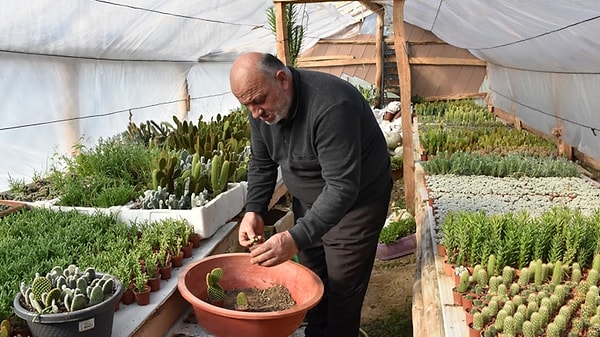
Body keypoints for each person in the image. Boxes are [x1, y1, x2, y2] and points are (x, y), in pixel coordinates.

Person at [229, 52, 392, 337]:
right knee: (313, 280)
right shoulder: (262, 108)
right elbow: (262, 161)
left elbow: (342, 188)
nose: (255, 112)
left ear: (282, 79)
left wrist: (295, 237)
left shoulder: (331, 106)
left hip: (357, 204)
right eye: (247, 105)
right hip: (309, 200)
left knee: (342, 288)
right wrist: (253, 210)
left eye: (258, 101)